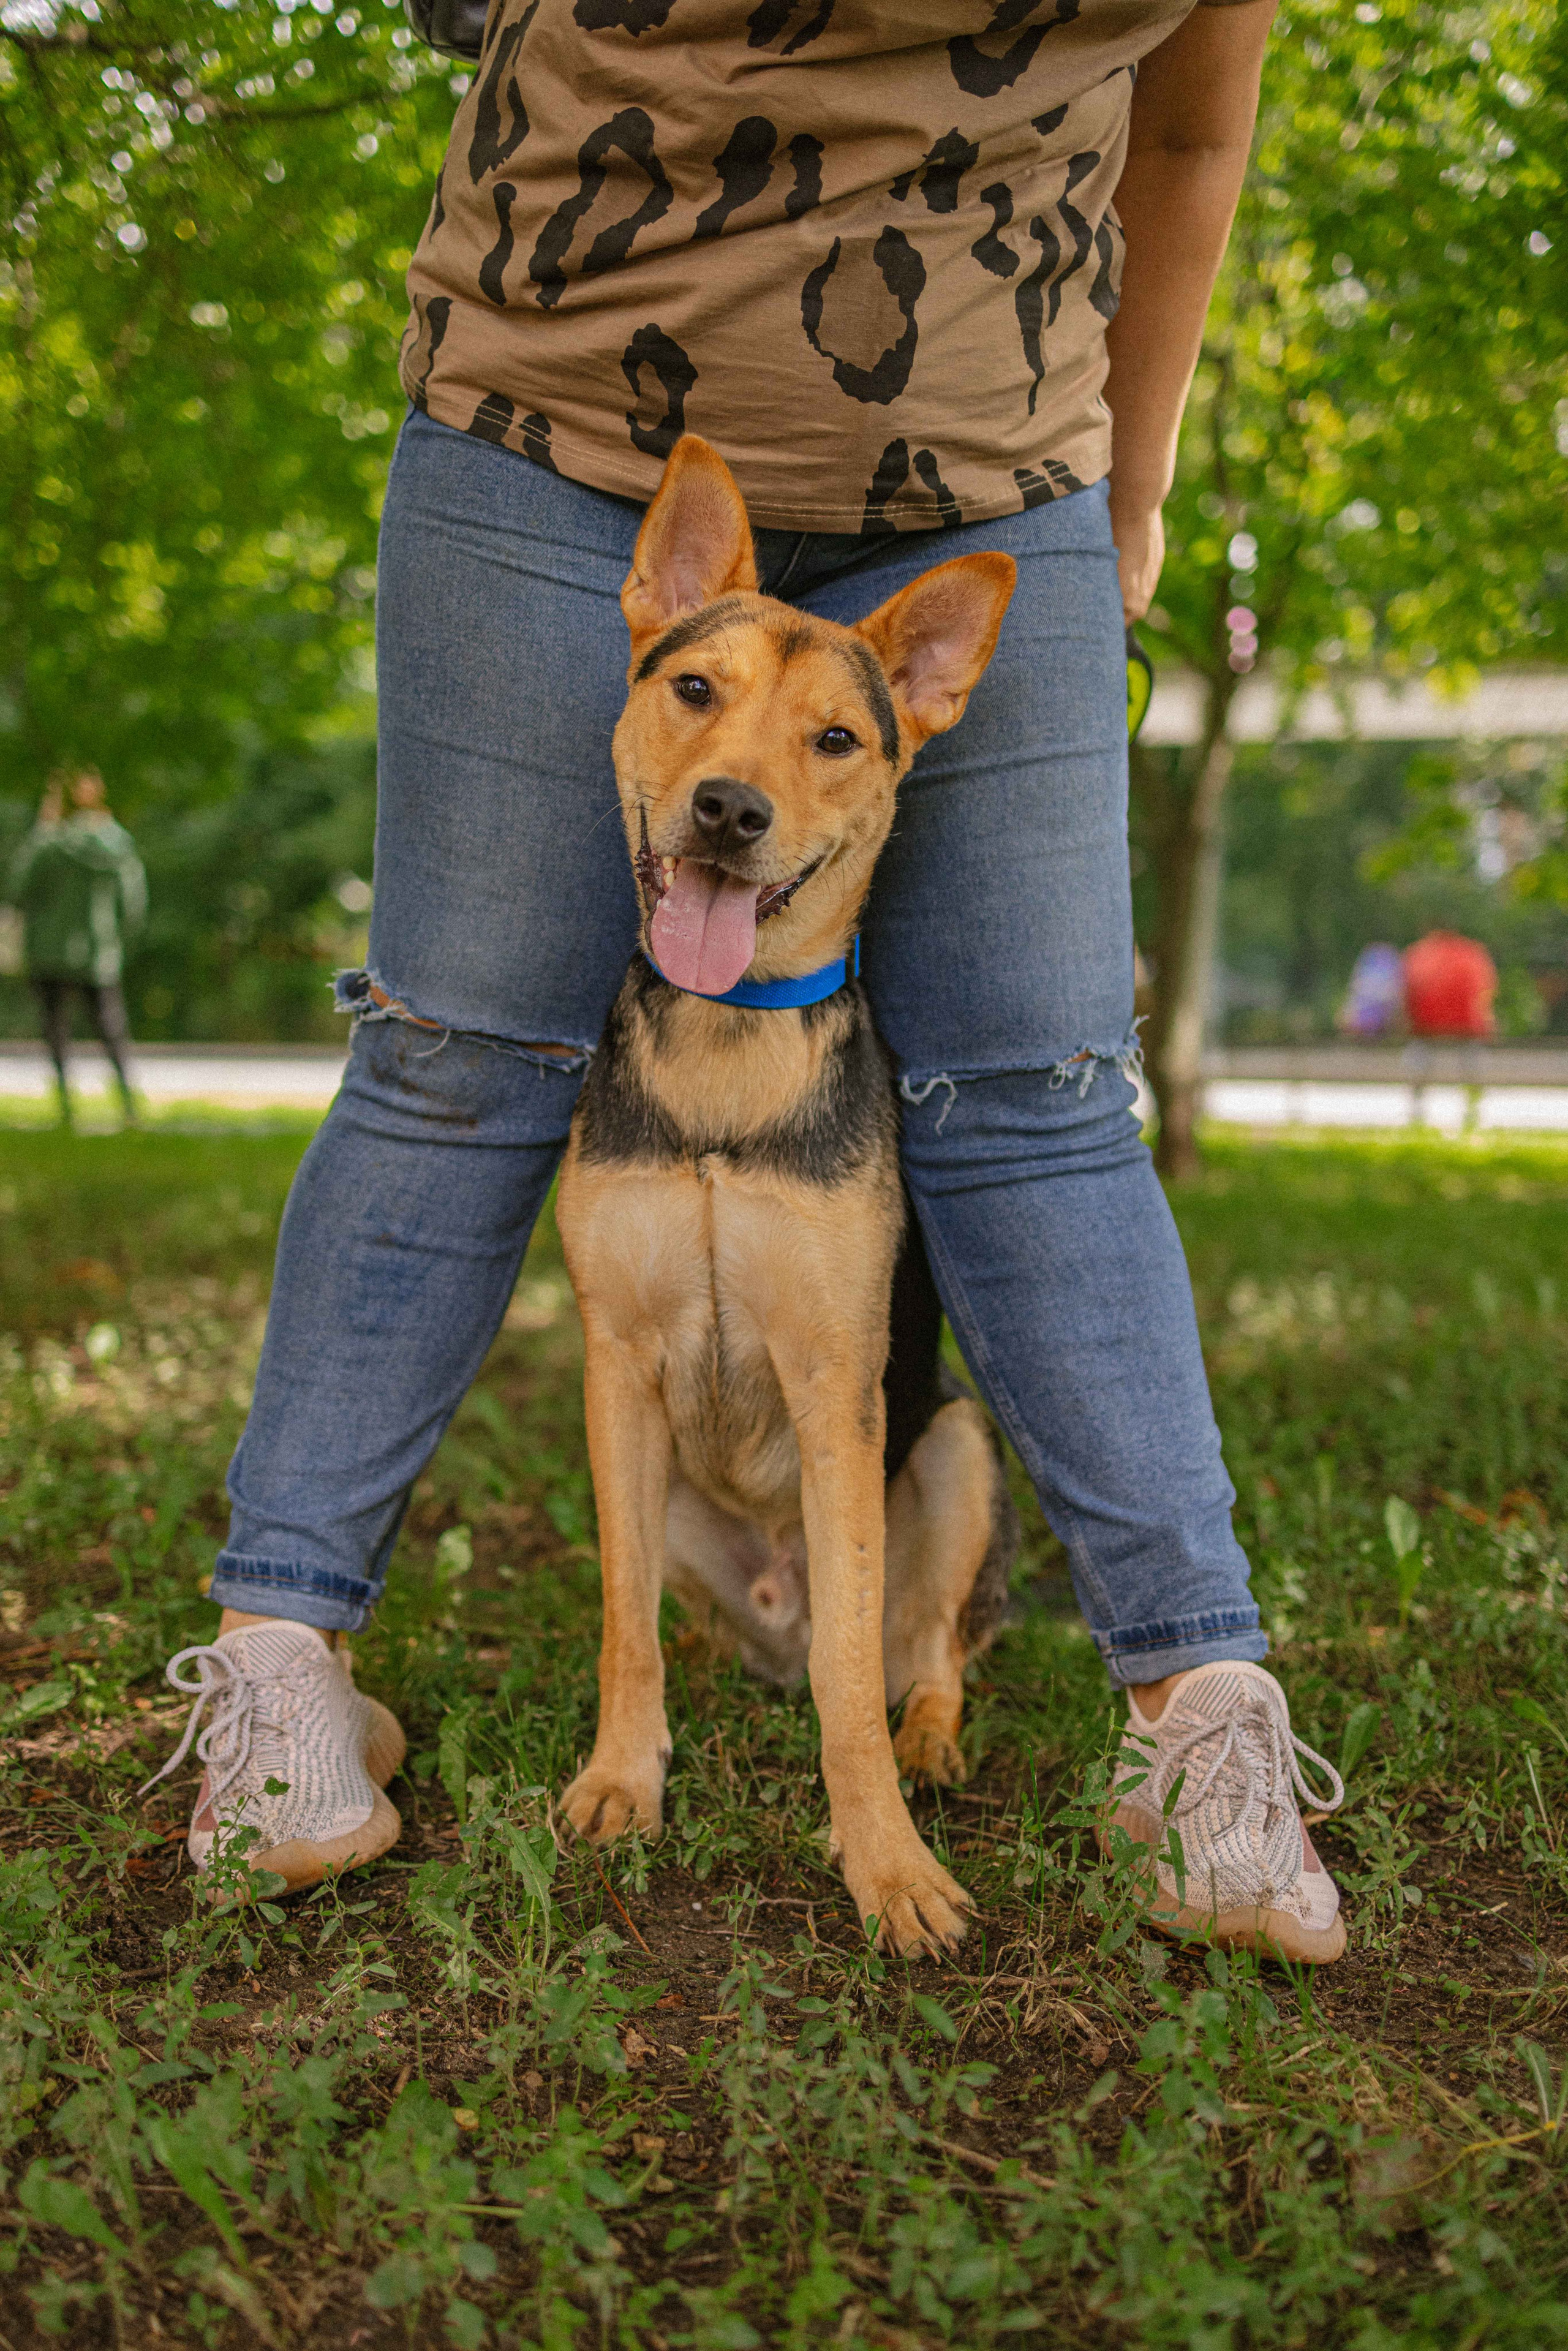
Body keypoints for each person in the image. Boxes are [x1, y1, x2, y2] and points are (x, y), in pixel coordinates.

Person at [147, 0, 1351, 1961]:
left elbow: (1191, 143)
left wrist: (1124, 487)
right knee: (456, 1047)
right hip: (559, 422)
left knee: (1041, 1091)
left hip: (991, 458)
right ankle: (280, 1665)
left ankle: (1200, 1715)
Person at [8, 769, 145, 1128]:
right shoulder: (116, 843)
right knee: (111, 1027)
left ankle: (67, 1106)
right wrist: (119, 942)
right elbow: (133, 903)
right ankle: (128, 1103)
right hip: (99, 952)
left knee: (56, 1028)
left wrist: (43, 829)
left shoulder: (47, 843)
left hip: (48, 951)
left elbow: (18, 889)